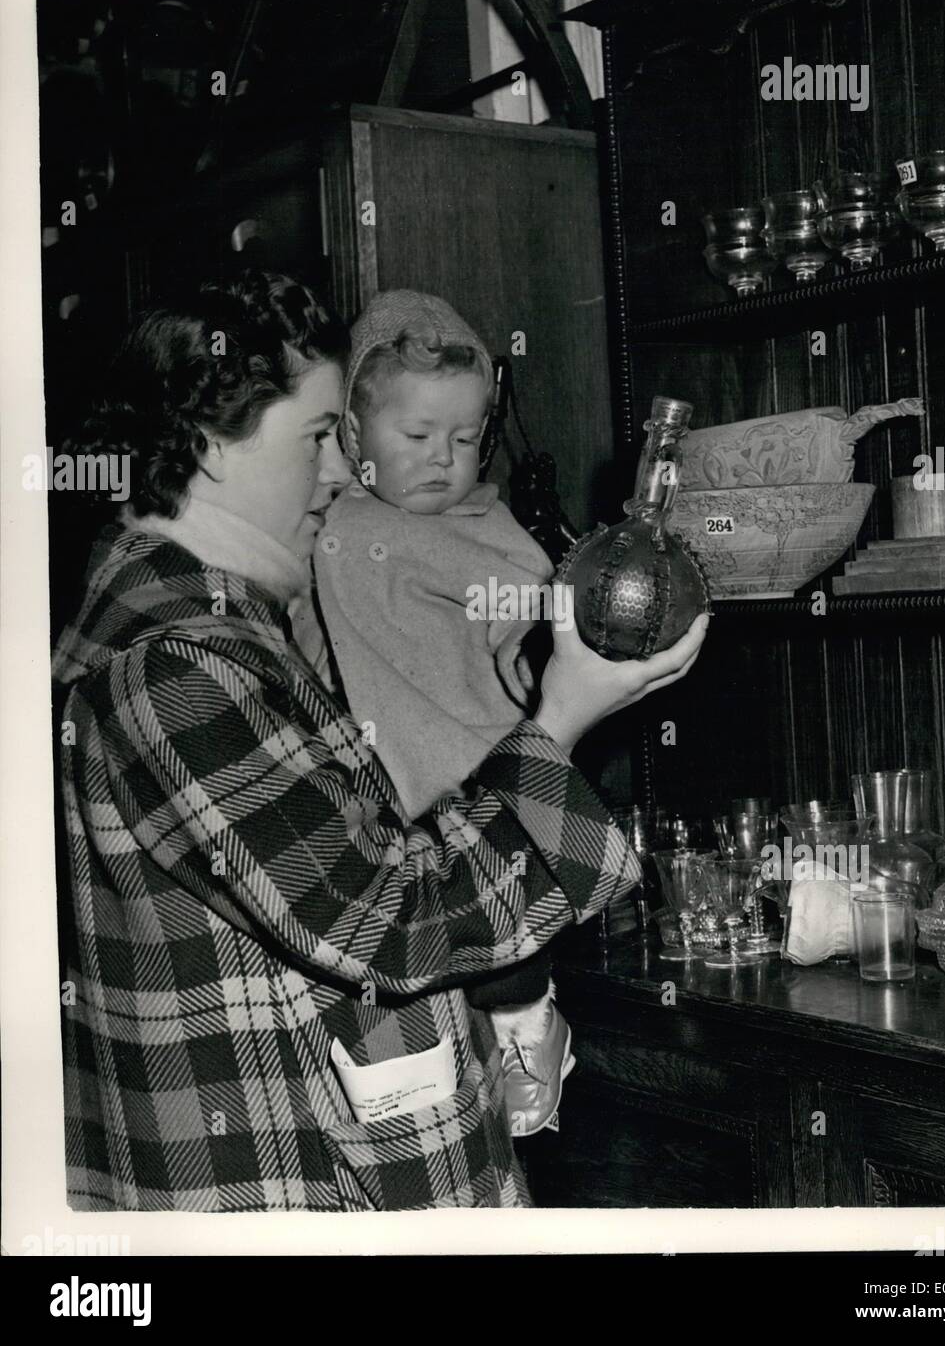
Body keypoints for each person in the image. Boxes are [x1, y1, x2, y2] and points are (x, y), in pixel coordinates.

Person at [52, 269, 709, 1212]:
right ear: (206, 446)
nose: (337, 470)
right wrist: (558, 719)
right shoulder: (175, 666)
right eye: (319, 436)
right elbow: (392, 918)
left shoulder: (216, 631)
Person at [297, 290, 569, 1138]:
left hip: (473, 776)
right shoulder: (327, 517)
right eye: (415, 438)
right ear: (350, 436)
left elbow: (531, 611)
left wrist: (534, 647)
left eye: (463, 439)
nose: (442, 460)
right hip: (367, 794)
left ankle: (532, 1032)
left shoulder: (484, 528)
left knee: (504, 942)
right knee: (392, 962)